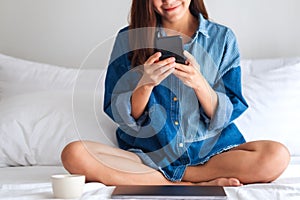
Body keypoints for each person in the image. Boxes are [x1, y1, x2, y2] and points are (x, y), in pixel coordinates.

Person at [61, 0, 290, 186]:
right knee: (74, 154)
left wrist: (199, 83)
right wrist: (145, 84)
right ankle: (186, 183)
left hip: (212, 155)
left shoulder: (222, 38)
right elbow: (122, 116)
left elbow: (229, 109)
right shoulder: (128, 39)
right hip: (150, 157)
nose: (168, 1)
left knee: (276, 156)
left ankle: (175, 178)